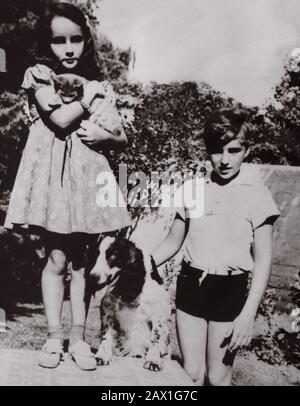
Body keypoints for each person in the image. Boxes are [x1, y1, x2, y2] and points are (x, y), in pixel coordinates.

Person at [4, 2, 131, 370]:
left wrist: (105, 135)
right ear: (48, 44)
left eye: (76, 39)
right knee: (57, 258)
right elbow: (59, 119)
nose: (69, 48)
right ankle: (53, 337)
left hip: (85, 178)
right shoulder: (39, 74)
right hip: (53, 180)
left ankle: (78, 338)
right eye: (59, 41)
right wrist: (90, 97)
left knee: (81, 262)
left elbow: (122, 138)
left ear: (86, 42)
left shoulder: (99, 82)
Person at [150, 107, 280, 385]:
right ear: (207, 150)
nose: (223, 160)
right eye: (216, 150)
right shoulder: (193, 189)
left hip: (230, 292)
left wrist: (247, 314)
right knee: (191, 375)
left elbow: (264, 261)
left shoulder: (258, 195)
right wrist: (141, 264)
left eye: (233, 150)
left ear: (247, 150)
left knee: (218, 378)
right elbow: (174, 241)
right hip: (191, 285)